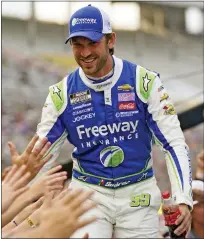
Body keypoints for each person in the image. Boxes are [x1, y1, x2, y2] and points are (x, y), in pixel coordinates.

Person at [35, 4, 193, 238]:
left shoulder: (145, 82)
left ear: (111, 40)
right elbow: (40, 155)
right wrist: (28, 198)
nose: (85, 52)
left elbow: (173, 143)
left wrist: (184, 200)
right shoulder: (61, 94)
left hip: (138, 195)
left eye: (93, 43)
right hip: (88, 194)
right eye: (78, 44)